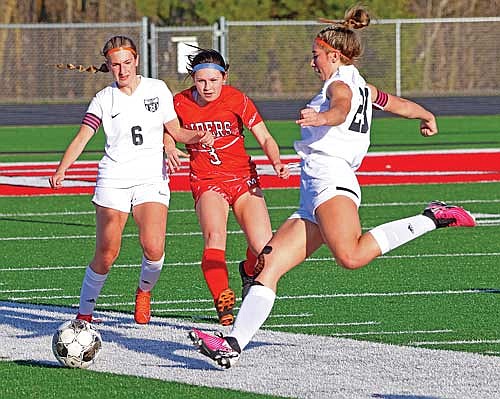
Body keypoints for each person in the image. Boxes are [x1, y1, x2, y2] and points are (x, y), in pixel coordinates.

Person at [188, 5, 476, 368]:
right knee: (268, 266)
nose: (313, 63)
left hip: (333, 181)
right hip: (315, 188)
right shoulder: (361, 85)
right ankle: (232, 343)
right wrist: (426, 114)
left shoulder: (339, 84)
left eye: (316, 56)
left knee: (351, 256)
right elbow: (394, 103)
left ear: (334, 56)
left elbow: (341, 108)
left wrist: (323, 117)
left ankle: (432, 217)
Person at [49, 35, 213, 325]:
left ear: (136, 60)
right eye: (115, 65)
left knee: (154, 247)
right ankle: (84, 314)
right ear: (108, 66)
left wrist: (195, 136)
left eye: (127, 62)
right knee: (107, 253)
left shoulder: (157, 89)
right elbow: (83, 137)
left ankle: (143, 292)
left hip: (151, 178)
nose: (122, 70)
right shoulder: (103, 99)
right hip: (113, 179)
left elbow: (175, 129)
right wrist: (62, 169)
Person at [164, 48, 290, 326]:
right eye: (201, 81)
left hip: (244, 179)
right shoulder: (180, 102)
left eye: (213, 80)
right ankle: (223, 300)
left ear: (224, 77)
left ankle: (247, 269)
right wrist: (170, 145)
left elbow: (265, 137)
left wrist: (277, 161)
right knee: (215, 238)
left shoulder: (238, 100)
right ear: (193, 80)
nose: (207, 87)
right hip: (207, 180)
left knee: (265, 251)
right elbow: (168, 129)